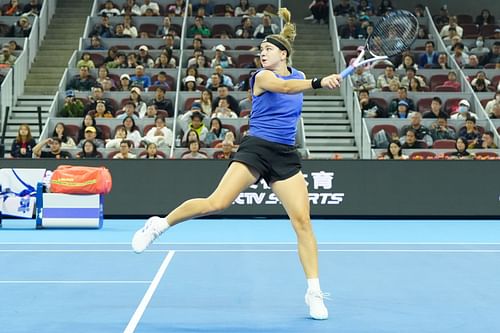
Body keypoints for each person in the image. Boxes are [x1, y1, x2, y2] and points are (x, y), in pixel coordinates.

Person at [132, 8, 340, 321]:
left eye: (268, 49)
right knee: (217, 202)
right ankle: (160, 224)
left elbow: (294, 85)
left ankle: (313, 292)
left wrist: (313, 81)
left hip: (285, 153)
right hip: (256, 149)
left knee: (303, 223)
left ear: (283, 53)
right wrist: (320, 81)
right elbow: (284, 88)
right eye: (261, 50)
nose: (262, 54)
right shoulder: (263, 77)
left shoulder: (297, 76)